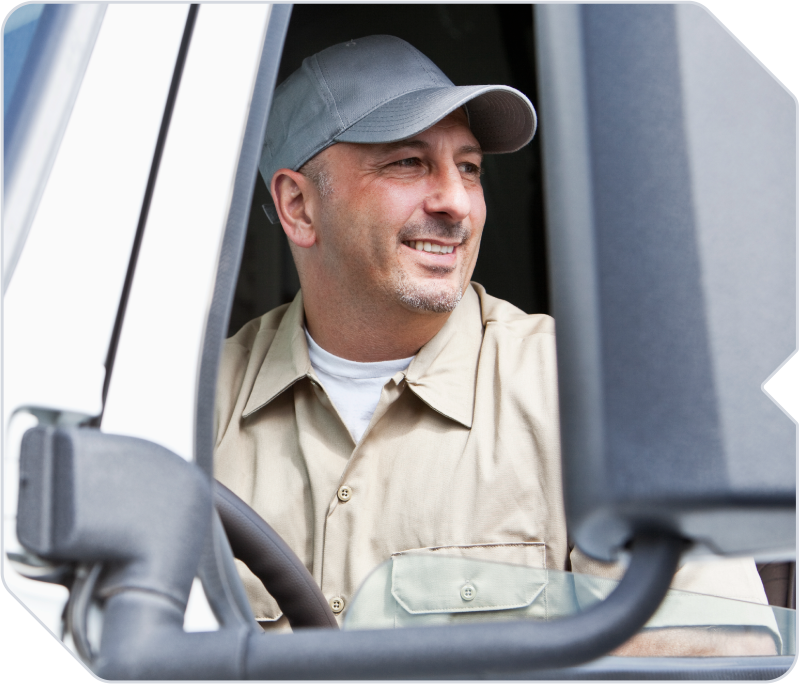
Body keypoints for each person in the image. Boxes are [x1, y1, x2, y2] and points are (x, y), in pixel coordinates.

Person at [213, 35, 776, 653]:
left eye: (470, 168)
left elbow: (720, 663)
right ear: (298, 205)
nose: (456, 202)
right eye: (407, 162)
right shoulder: (186, 410)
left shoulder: (590, 393)